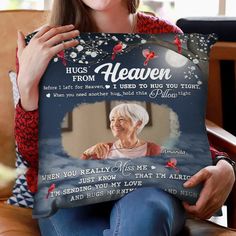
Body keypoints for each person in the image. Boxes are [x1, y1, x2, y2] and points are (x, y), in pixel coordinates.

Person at [15, 0, 235, 235]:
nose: (115, 125)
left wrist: (225, 164)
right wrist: (27, 88)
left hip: (151, 191)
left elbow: (187, 135)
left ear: (138, 124)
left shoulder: (168, 38)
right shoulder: (42, 45)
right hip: (70, 197)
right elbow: (33, 156)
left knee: (147, 211)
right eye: (114, 121)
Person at [81, 103, 161, 160]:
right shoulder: (104, 149)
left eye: (121, 119)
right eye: (112, 120)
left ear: (138, 124)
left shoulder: (153, 150)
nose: (115, 124)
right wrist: (87, 153)